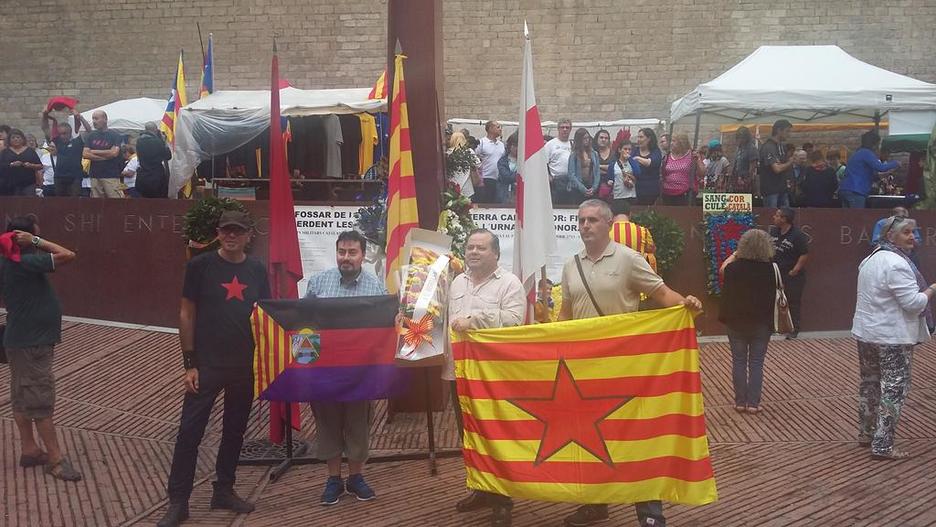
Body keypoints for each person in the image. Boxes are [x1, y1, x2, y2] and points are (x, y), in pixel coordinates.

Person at [558, 199, 702, 527]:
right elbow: (565, 314)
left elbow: (663, 295)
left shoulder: (628, 259)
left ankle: (650, 512)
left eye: (592, 220)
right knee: (589, 438)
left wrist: (687, 305)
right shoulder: (570, 266)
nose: (585, 226)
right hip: (583, 369)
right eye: (581, 221)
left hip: (622, 366)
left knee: (635, 438)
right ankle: (595, 503)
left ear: (609, 224)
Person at [158, 211, 269, 527]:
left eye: (238, 231)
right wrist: (189, 363)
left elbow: (267, 316)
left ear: (249, 235)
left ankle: (224, 489)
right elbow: (186, 313)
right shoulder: (199, 266)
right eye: (226, 230)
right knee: (188, 433)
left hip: (244, 366)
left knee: (235, 431)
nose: (231, 236)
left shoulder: (257, 269)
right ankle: (178, 502)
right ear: (218, 233)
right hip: (206, 365)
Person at [449, 229, 525, 527]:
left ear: (496, 254)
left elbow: (514, 320)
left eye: (481, 248)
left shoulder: (509, 284)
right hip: (461, 373)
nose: (473, 252)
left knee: (497, 436)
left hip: (495, 377)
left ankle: (503, 499)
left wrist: (476, 320)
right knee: (467, 435)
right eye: (470, 247)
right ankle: (480, 488)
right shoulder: (456, 283)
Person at [305, 231, 386, 506]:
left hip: (360, 373)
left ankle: (355, 477)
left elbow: (382, 329)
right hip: (326, 372)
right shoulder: (318, 283)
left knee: (357, 424)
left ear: (363, 255)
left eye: (352, 252)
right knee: (327, 423)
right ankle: (332, 479)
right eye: (342, 252)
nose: (346, 258)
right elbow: (305, 326)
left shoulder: (375, 287)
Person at [2, 217, 81, 482]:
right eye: (36, 235)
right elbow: (68, 255)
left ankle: (29, 449)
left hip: (20, 341)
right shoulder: (23, 263)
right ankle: (56, 459)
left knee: (22, 396)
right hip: (31, 344)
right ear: (24, 237)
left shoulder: (12, 262)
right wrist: (36, 241)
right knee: (40, 399)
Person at [853, 215, 933, 460]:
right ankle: (883, 444)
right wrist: (931, 290)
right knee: (894, 389)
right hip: (892, 337)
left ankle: (866, 434)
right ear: (890, 235)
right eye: (907, 232)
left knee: (869, 384)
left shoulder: (869, 259)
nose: (913, 237)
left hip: (867, 333)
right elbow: (913, 304)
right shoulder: (897, 264)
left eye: (914, 232)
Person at [719, 229, 777, 414]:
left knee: (738, 361)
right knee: (757, 362)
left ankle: (740, 402)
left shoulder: (734, 269)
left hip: (736, 321)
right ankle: (753, 403)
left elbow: (722, 269)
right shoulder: (771, 269)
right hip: (761, 322)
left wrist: (735, 254)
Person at [769, 208, 808, 338]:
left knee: (792, 301)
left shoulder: (798, 235)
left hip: (792, 274)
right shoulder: (774, 232)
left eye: (777, 215)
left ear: (784, 219)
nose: (774, 217)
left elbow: (804, 254)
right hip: (775, 272)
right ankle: (774, 327)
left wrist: (795, 270)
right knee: (772, 300)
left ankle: (793, 329)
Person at [839, 131, 901, 208]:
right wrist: (895, 163)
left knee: (847, 218)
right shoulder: (866, 153)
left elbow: (872, 175)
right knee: (856, 217)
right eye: (878, 144)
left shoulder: (857, 153)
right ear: (874, 145)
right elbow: (881, 167)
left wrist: (887, 173)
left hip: (845, 189)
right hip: (856, 191)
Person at [42, 109, 89, 198]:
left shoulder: (77, 141)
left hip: (75, 177)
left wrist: (80, 117)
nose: (62, 136)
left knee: (73, 202)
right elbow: (45, 129)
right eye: (60, 134)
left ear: (70, 132)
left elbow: (88, 131)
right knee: (61, 203)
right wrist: (45, 115)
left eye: (64, 134)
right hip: (59, 176)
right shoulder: (57, 141)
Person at [83, 110, 125, 198]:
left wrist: (93, 151)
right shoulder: (90, 135)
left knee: (115, 201)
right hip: (95, 175)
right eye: (93, 119)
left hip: (111, 175)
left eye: (96, 119)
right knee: (96, 204)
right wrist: (106, 154)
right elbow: (85, 154)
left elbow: (114, 153)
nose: (94, 121)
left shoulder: (115, 135)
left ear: (105, 119)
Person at [610, 200, 656, 273]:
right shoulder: (643, 231)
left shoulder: (604, 232)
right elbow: (652, 249)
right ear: (630, 214)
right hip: (636, 277)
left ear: (611, 215)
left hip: (612, 275)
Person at [759, 120, 796, 208]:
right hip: (771, 191)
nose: (789, 134)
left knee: (785, 218)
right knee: (771, 218)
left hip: (782, 189)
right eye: (787, 131)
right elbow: (777, 169)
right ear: (779, 130)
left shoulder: (782, 146)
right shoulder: (768, 147)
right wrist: (791, 161)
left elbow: (782, 165)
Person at [660, 133, 704, 205]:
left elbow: (702, 173)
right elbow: (663, 173)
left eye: (674, 141)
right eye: (671, 141)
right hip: (667, 193)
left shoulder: (692, 156)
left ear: (682, 142)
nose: (671, 143)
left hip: (685, 194)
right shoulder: (667, 156)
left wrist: (698, 160)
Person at [0, 129, 44, 196]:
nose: (16, 139)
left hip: (28, 184)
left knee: (29, 203)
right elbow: (1, 165)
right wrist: (11, 164)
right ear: (9, 140)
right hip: (10, 185)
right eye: (13, 137)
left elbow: (40, 166)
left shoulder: (30, 151)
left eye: (18, 137)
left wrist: (30, 165)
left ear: (22, 139)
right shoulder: (5, 152)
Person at [135, 122, 173, 198]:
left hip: (143, 176)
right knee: (159, 202)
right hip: (156, 176)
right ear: (155, 130)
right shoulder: (157, 142)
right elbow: (168, 156)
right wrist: (163, 141)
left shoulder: (139, 141)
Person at [565, 128, 600, 205]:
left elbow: (597, 172)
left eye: (588, 138)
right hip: (578, 187)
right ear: (579, 139)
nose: (587, 140)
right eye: (584, 138)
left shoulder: (594, 153)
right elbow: (571, 174)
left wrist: (594, 188)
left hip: (590, 186)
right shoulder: (574, 155)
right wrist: (583, 189)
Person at [475, 120, 506, 204]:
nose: (500, 129)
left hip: (500, 180)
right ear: (490, 129)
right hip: (486, 178)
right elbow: (474, 158)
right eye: (498, 127)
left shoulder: (501, 144)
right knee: (487, 203)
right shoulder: (482, 142)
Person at [545, 119, 573, 204]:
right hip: (556, 181)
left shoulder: (573, 144)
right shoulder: (550, 144)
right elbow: (544, 162)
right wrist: (548, 176)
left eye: (567, 127)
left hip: (571, 181)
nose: (565, 129)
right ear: (558, 129)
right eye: (562, 127)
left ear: (570, 129)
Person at [446, 132, 481, 200]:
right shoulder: (468, 151)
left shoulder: (447, 153)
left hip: (452, 188)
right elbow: (478, 164)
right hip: (467, 188)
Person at [632, 128, 663, 205]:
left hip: (650, 190)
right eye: (638, 137)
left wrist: (637, 158)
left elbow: (651, 163)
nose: (638, 139)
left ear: (649, 138)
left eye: (641, 137)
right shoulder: (635, 150)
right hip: (635, 189)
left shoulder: (656, 151)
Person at [606, 140, 640, 209]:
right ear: (619, 150)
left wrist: (630, 158)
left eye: (629, 149)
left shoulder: (633, 162)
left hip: (631, 196)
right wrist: (609, 182)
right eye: (625, 149)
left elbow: (638, 173)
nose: (627, 151)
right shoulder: (613, 165)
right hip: (618, 196)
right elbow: (609, 179)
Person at [728, 126, 758, 193]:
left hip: (745, 180)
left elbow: (752, 167)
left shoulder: (752, 148)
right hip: (737, 179)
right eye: (738, 137)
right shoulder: (739, 148)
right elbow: (736, 164)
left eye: (742, 138)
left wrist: (747, 180)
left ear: (746, 137)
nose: (740, 140)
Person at [496, 132, 519, 205]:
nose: (517, 148)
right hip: (505, 193)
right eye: (515, 145)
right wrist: (518, 175)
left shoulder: (525, 162)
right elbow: (506, 177)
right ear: (509, 146)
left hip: (520, 194)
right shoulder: (502, 161)